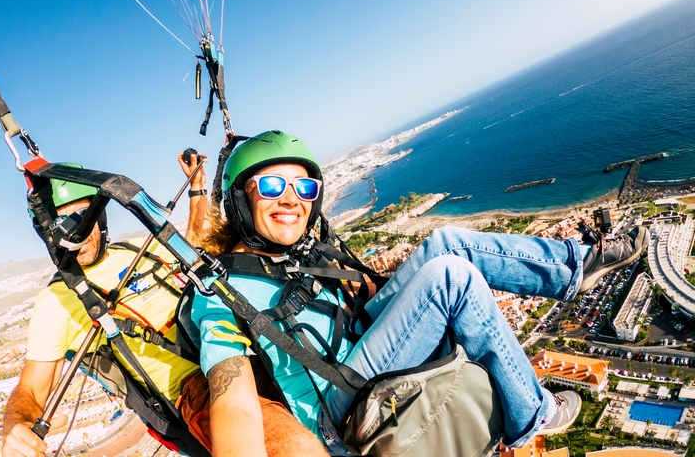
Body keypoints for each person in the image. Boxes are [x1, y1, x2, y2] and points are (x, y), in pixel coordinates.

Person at [182, 130, 649, 457]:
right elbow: (235, 403)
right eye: (271, 185)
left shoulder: (294, 256)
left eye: (304, 186)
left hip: (359, 351)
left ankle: (573, 267)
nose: (292, 199)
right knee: (449, 276)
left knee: (446, 243)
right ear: (241, 199)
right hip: (339, 403)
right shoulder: (221, 291)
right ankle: (533, 417)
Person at [2, 161, 327, 457]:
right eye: (59, 224)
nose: (74, 233)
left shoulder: (137, 248)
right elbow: (31, 387)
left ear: (99, 218)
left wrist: (197, 186)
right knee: (288, 445)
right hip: (196, 383)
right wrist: (16, 426)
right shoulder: (57, 302)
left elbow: (195, 248)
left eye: (81, 217)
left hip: (237, 335)